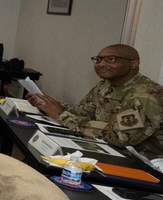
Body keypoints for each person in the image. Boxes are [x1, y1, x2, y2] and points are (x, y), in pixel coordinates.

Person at [27, 43, 163, 156]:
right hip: (106, 148)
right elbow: (85, 111)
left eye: (111, 59)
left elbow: (120, 137)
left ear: (133, 64)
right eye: (98, 59)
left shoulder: (146, 96)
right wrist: (49, 104)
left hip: (143, 163)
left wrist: (61, 115)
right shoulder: (106, 84)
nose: (101, 64)